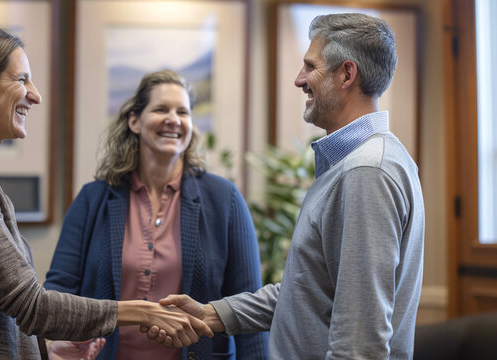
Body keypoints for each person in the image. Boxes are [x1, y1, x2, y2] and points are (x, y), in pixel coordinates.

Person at [0, 27, 212, 359]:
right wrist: (144, 312)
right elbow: (32, 305)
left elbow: (0, 315)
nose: (34, 95)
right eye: (22, 79)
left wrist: (47, 354)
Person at [152, 13, 425, 359]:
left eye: (311, 67)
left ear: (347, 74)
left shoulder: (366, 172)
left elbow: (360, 343)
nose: (299, 80)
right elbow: (307, 291)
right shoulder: (358, 164)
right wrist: (210, 314)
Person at [44, 70, 268, 360]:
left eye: (183, 112)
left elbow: (248, 308)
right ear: (134, 121)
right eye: (161, 109)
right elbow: (57, 295)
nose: (173, 119)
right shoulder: (92, 198)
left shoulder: (225, 199)